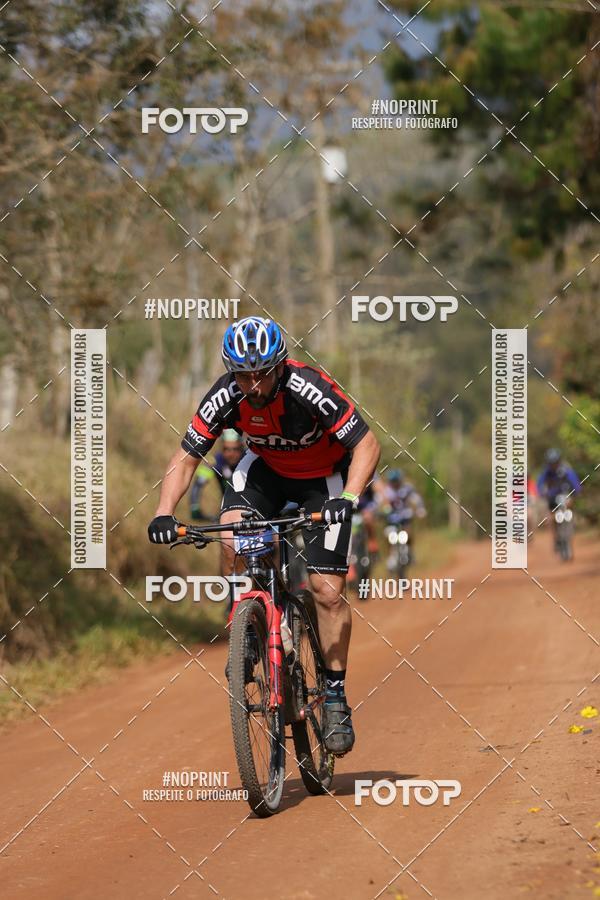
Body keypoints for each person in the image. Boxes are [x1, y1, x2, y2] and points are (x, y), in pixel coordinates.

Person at [148, 315, 381, 756]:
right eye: (243, 374)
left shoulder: (307, 386)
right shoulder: (226, 393)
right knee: (237, 536)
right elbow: (185, 458)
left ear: (279, 365)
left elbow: (366, 445)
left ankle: (333, 695)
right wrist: (164, 512)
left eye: (261, 373)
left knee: (327, 592)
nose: (253, 384)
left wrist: (348, 498)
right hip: (265, 475)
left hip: (323, 482)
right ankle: (255, 624)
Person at [190, 429, 244, 520]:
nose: (231, 454)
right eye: (226, 449)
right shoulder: (215, 461)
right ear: (221, 448)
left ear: (242, 447)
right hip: (228, 513)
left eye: (235, 449)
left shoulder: (249, 459)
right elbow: (198, 484)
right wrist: (195, 508)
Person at [537, 449, 581, 549]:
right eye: (551, 462)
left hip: (566, 496)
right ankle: (555, 538)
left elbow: (575, 482)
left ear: (559, 461)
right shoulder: (546, 472)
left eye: (555, 462)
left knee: (571, 511)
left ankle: (570, 533)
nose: (554, 464)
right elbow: (540, 484)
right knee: (551, 517)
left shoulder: (566, 470)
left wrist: (576, 492)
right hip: (552, 498)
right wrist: (542, 493)